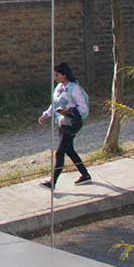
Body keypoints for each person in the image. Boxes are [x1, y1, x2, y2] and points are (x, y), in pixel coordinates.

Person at [38, 61, 91, 189]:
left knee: (59, 152)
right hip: (61, 123)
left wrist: (70, 113)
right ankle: (85, 174)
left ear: (64, 75)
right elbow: (55, 103)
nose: (55, 78)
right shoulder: (59, 88)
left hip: (71, 124)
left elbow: (83, 108)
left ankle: (52, 182)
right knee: (69, 150)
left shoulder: (74, 88)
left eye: (57, 75)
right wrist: (46, 115)